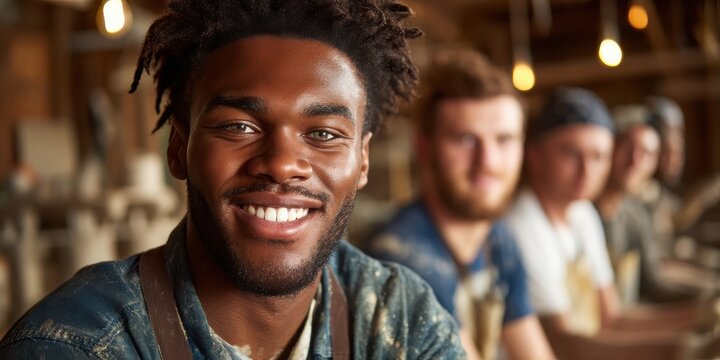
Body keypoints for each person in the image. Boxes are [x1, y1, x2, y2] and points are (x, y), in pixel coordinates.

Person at [0, 1, 465, 358]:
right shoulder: (74, 346)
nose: (283, 164)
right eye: (239, 127)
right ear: (179, 148)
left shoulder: (399, 320)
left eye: (323, 134)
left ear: (362, 161)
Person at [365, 49, 555, 360]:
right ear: (425, 150)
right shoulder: (404, 257)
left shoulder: (499, 239)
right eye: (466, 140)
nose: (488, 162)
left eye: (504, 140)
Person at [505, 87, 711, 360]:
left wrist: (704, 315)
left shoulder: (582, 213)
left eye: (598, 156)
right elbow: (563, 342)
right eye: (570, 153)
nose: (587, 170)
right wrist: (683, 350)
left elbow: (611, 318)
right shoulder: (521, 223)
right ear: (534, 155)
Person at [595, 106, 701, 304]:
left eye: (647, 153)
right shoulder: (582, 215)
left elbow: (653, 283)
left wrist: (705, 297)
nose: (635, 161)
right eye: (627, 147)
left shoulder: (635, 216)